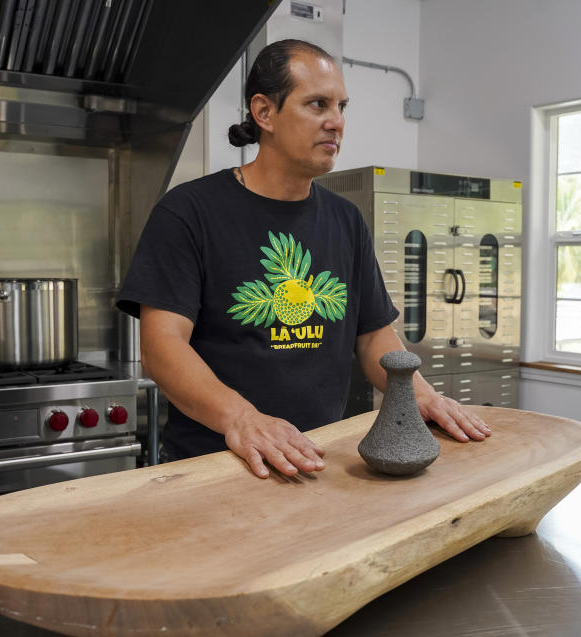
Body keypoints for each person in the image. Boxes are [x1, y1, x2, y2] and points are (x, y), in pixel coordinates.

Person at [117, 39, 489, 478]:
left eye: (341, 107)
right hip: (217, 467)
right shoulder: (189, 212)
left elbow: (373, 337)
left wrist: (420, 395)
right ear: (264, 112)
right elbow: (163, 347)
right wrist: (242, 419)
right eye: (317, 105)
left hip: (317, 462)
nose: (336, 122)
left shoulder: (345, 220)